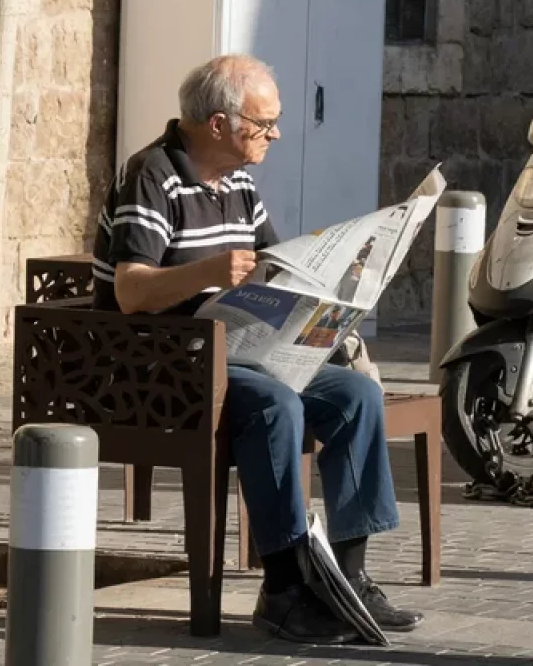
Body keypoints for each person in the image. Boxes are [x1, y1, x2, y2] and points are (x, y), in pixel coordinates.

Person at [91, 54, 423, 644]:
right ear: (217, 124)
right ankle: (284, 589)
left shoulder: (239, 183)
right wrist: (210, 272)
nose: (274, 135)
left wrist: (334, 286)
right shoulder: (152, 175)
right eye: (263, 124)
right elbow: (130, 291)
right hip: (165, 362)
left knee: (354, 397)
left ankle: (348, 577)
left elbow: (278, 268)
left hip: (241, 348)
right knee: (277, 407)